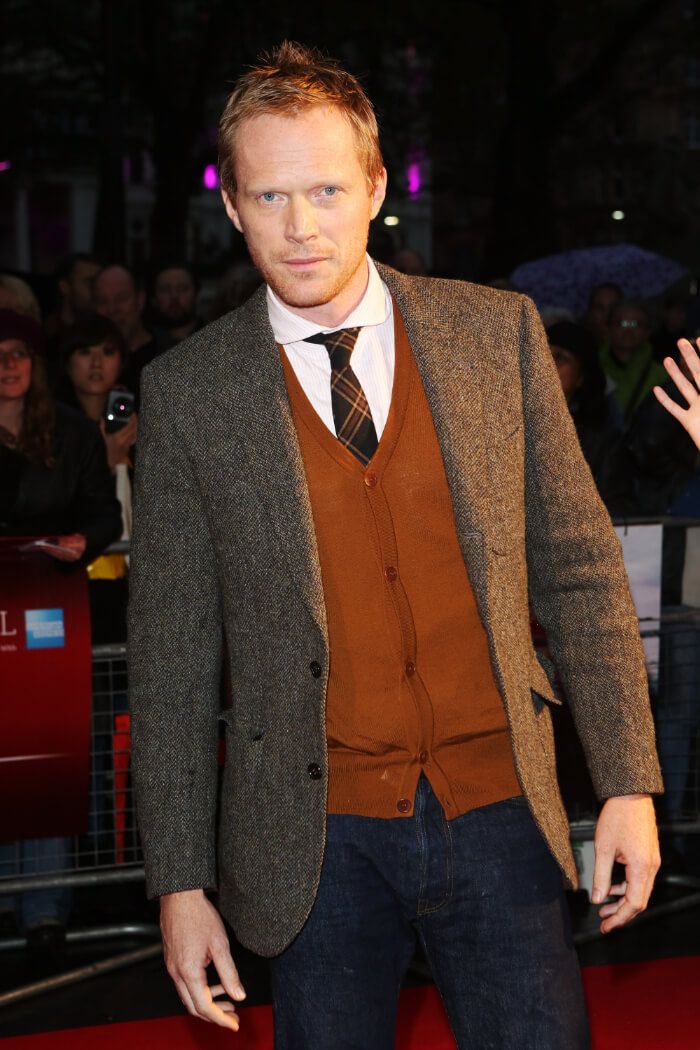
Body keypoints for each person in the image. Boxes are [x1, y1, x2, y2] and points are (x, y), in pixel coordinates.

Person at [129, 42, 662, 1049]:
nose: (300, 225)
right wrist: (180, 885)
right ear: (232, 206)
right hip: (311, 840)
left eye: (326, 189)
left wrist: (627, 782)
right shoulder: (190, 393)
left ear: (376, 189)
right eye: (270, 195)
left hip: (501, 805)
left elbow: (582, 572)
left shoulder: (495, 335)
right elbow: (169, 662)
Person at [0, 307, 122, 968]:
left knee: (43, 752)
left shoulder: (71, 432)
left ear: (37, 364)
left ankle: (44, 906)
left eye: (19, 353)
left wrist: (83, 541)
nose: (8, 366)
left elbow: (106, 513)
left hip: (47, 615)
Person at [55, 314, 137, 644]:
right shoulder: (51, 426)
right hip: (72, 575)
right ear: (67, 362)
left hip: (133, 578)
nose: (96, 363)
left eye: (108, 351)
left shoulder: (144, 421)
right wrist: (106, 461)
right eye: (85, 351)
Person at [547, 321, 635, 515]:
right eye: (540, 354)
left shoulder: (602, 441)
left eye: (560, 357)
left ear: (581, 377)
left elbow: (618, 507)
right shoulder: (505, 423)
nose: (545, 363)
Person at [93, 264, 160, 404]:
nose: (112, 309)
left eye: (121, 299)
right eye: (102, 301)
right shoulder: (88, 364)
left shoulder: (169, 356)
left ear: (140, 300)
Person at [599, 299, 667, 428]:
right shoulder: (592, 368)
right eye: (622, 323)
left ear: (647, 332)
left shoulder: (661, 375)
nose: (628, 330)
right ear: (608, 328)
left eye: (636, 324)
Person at [148, 262, 201, 347]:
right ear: (153, 299)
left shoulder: (215, 337)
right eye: (165, 290)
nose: (174, 296)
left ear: (196, 295)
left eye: (182, 289)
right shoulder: (143, 342)